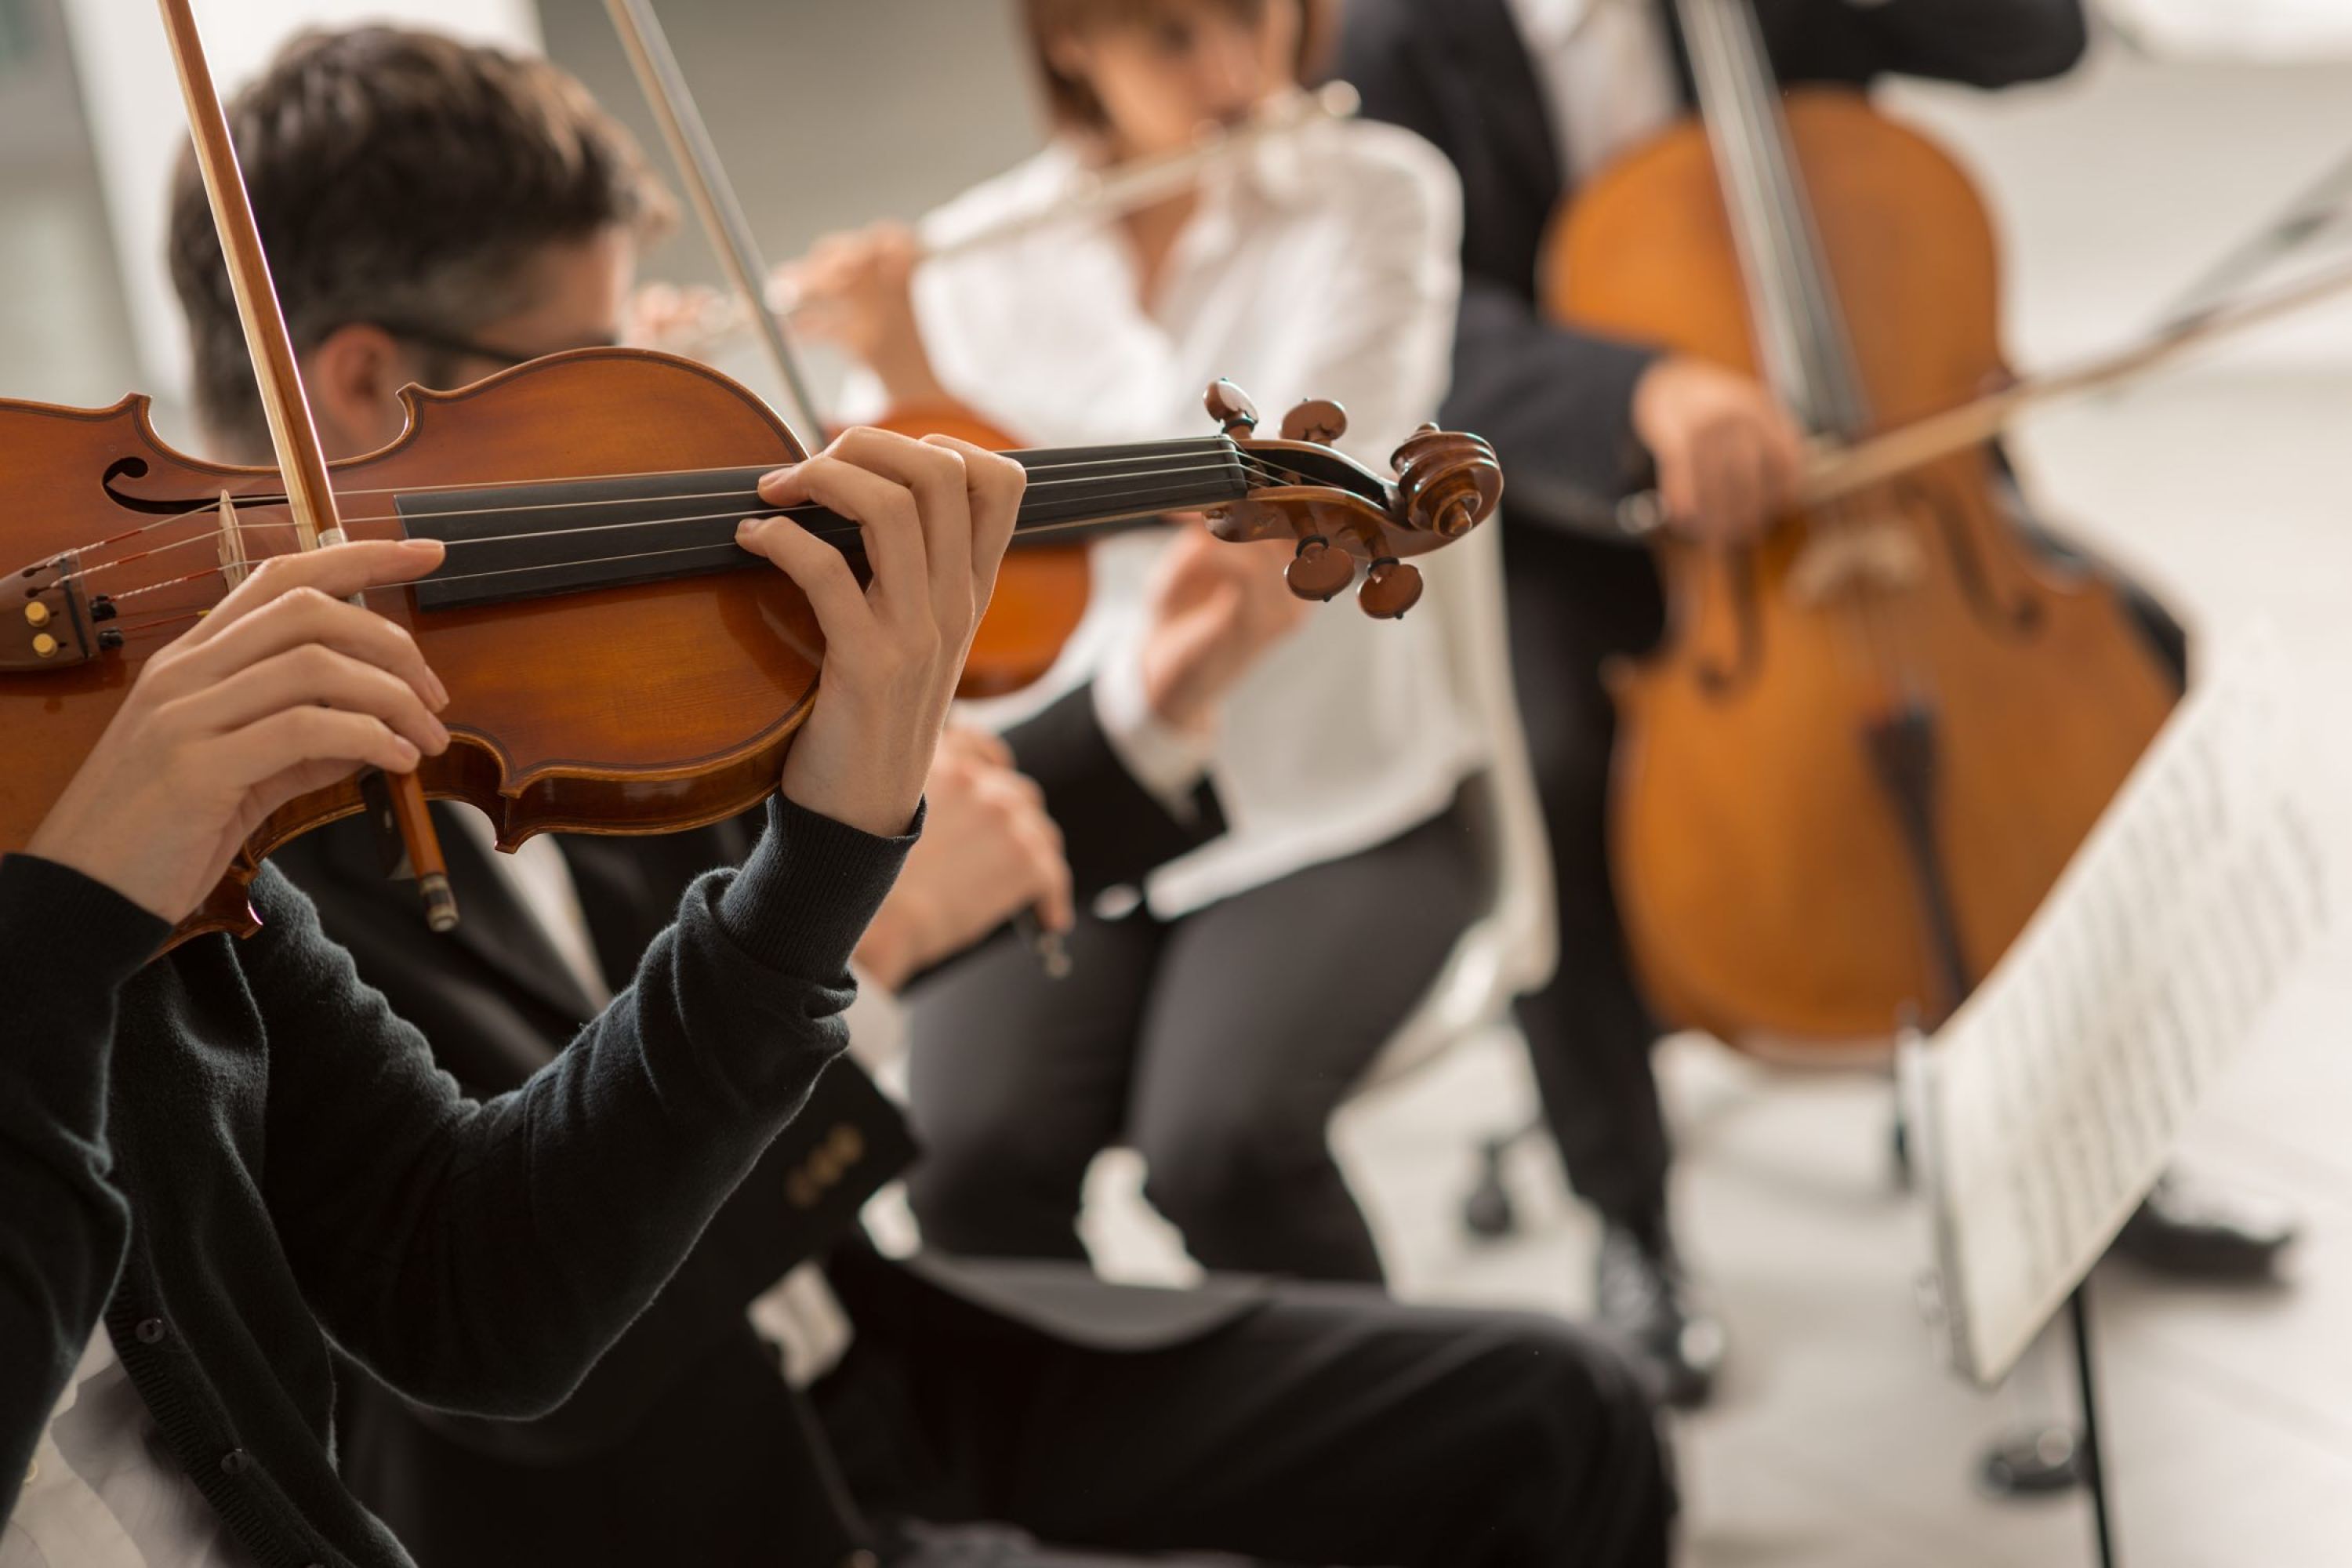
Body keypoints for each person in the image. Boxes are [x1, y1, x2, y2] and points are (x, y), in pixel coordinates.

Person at [138, 26, 1677, 1567]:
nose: (637, 431)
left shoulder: (548, 677)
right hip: (695, 1500)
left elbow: (864, 852)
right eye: (583, 370)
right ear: (361, 382)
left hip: (882, 1357)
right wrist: (847, 948)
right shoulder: (226, 849)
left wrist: (1156, 705)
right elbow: (520, 1349)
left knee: (1561, 1412)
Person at [1333, 0, 2299, 1407]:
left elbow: (2037, 41)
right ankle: (1632, 1220)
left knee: (2129, 652)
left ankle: (2097, 1147)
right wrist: (1640, 391)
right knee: (1548, 771)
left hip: (1889, 450)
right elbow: (1408, 323)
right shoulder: (1404, 37)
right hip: (1596, 518)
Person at [789, 0, 1486, 1287]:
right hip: (1069, 793)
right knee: (963, 1159)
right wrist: (852, 380)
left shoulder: (1379, 190)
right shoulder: (967, 258)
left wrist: (936, 384)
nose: (1233, 71)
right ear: (1071, 44)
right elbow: (898, 561)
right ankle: (1113, 1466)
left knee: (1220, 1148)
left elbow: (1302, 481)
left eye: (1254, 17)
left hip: (1333, 808)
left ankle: (1386, 1467)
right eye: (1171, 36)